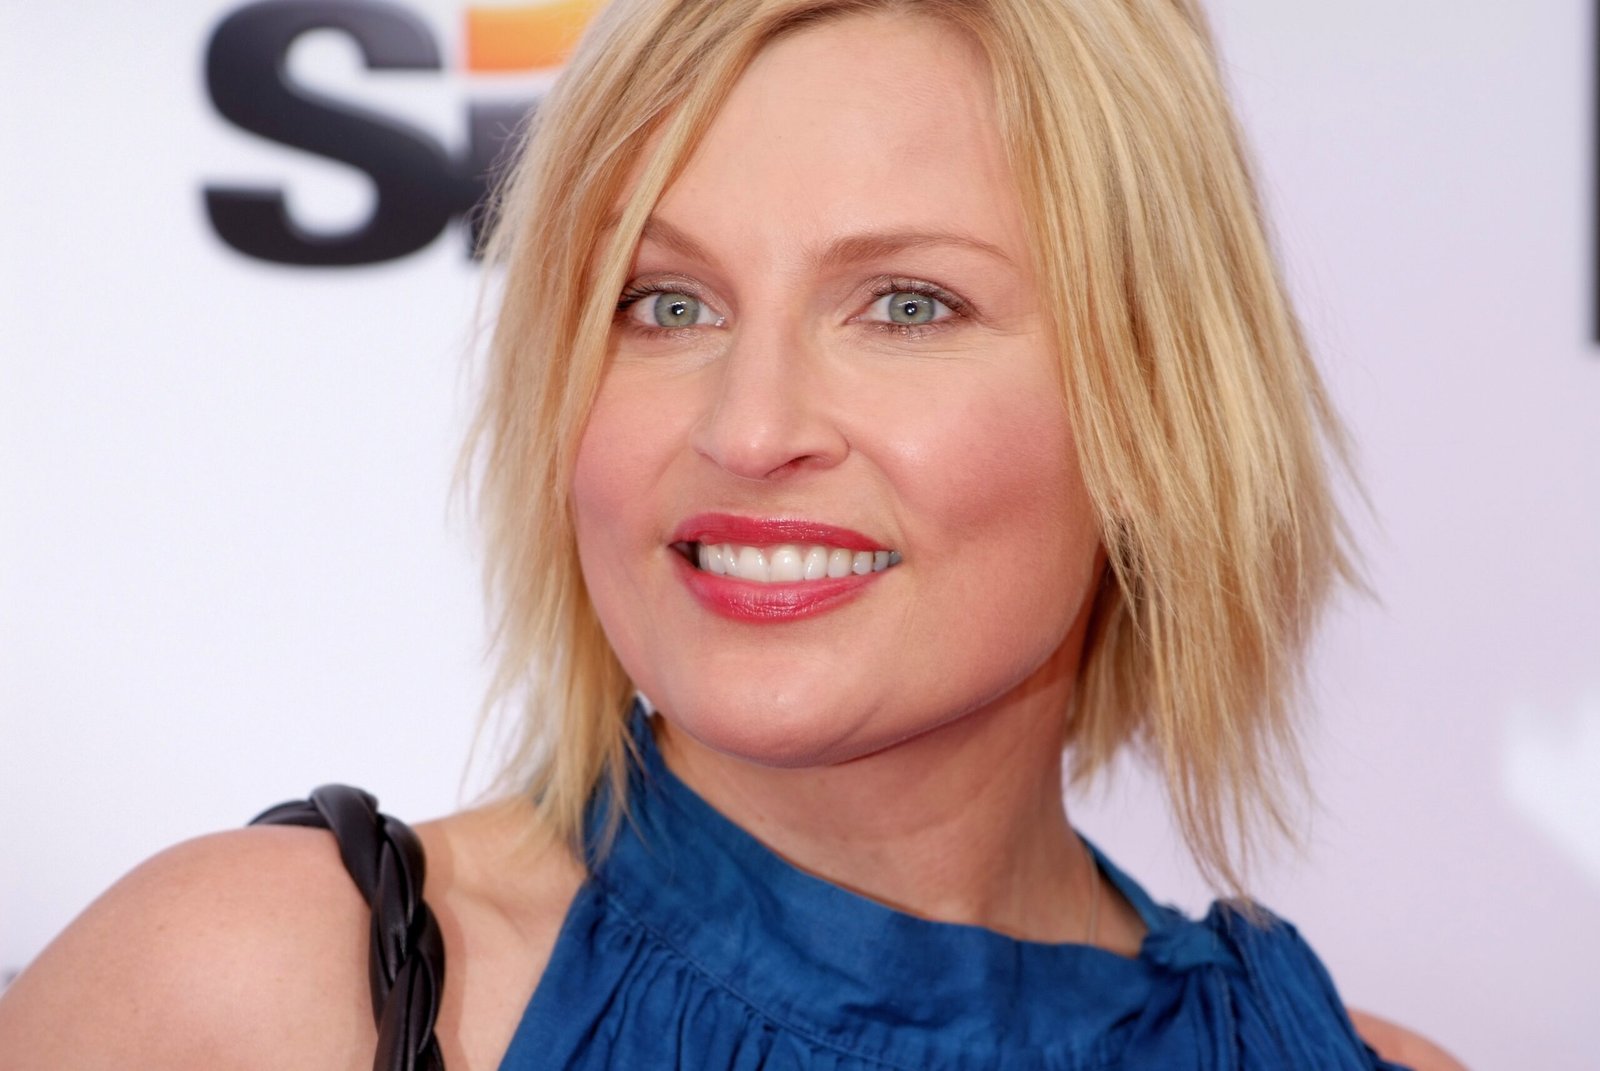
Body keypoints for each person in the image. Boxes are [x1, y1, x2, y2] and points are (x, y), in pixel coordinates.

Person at [0, 0, 1466, 1068]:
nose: (750, 429)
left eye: (907, 305)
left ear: (1158, 406)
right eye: (667, 303)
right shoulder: (260, 994)